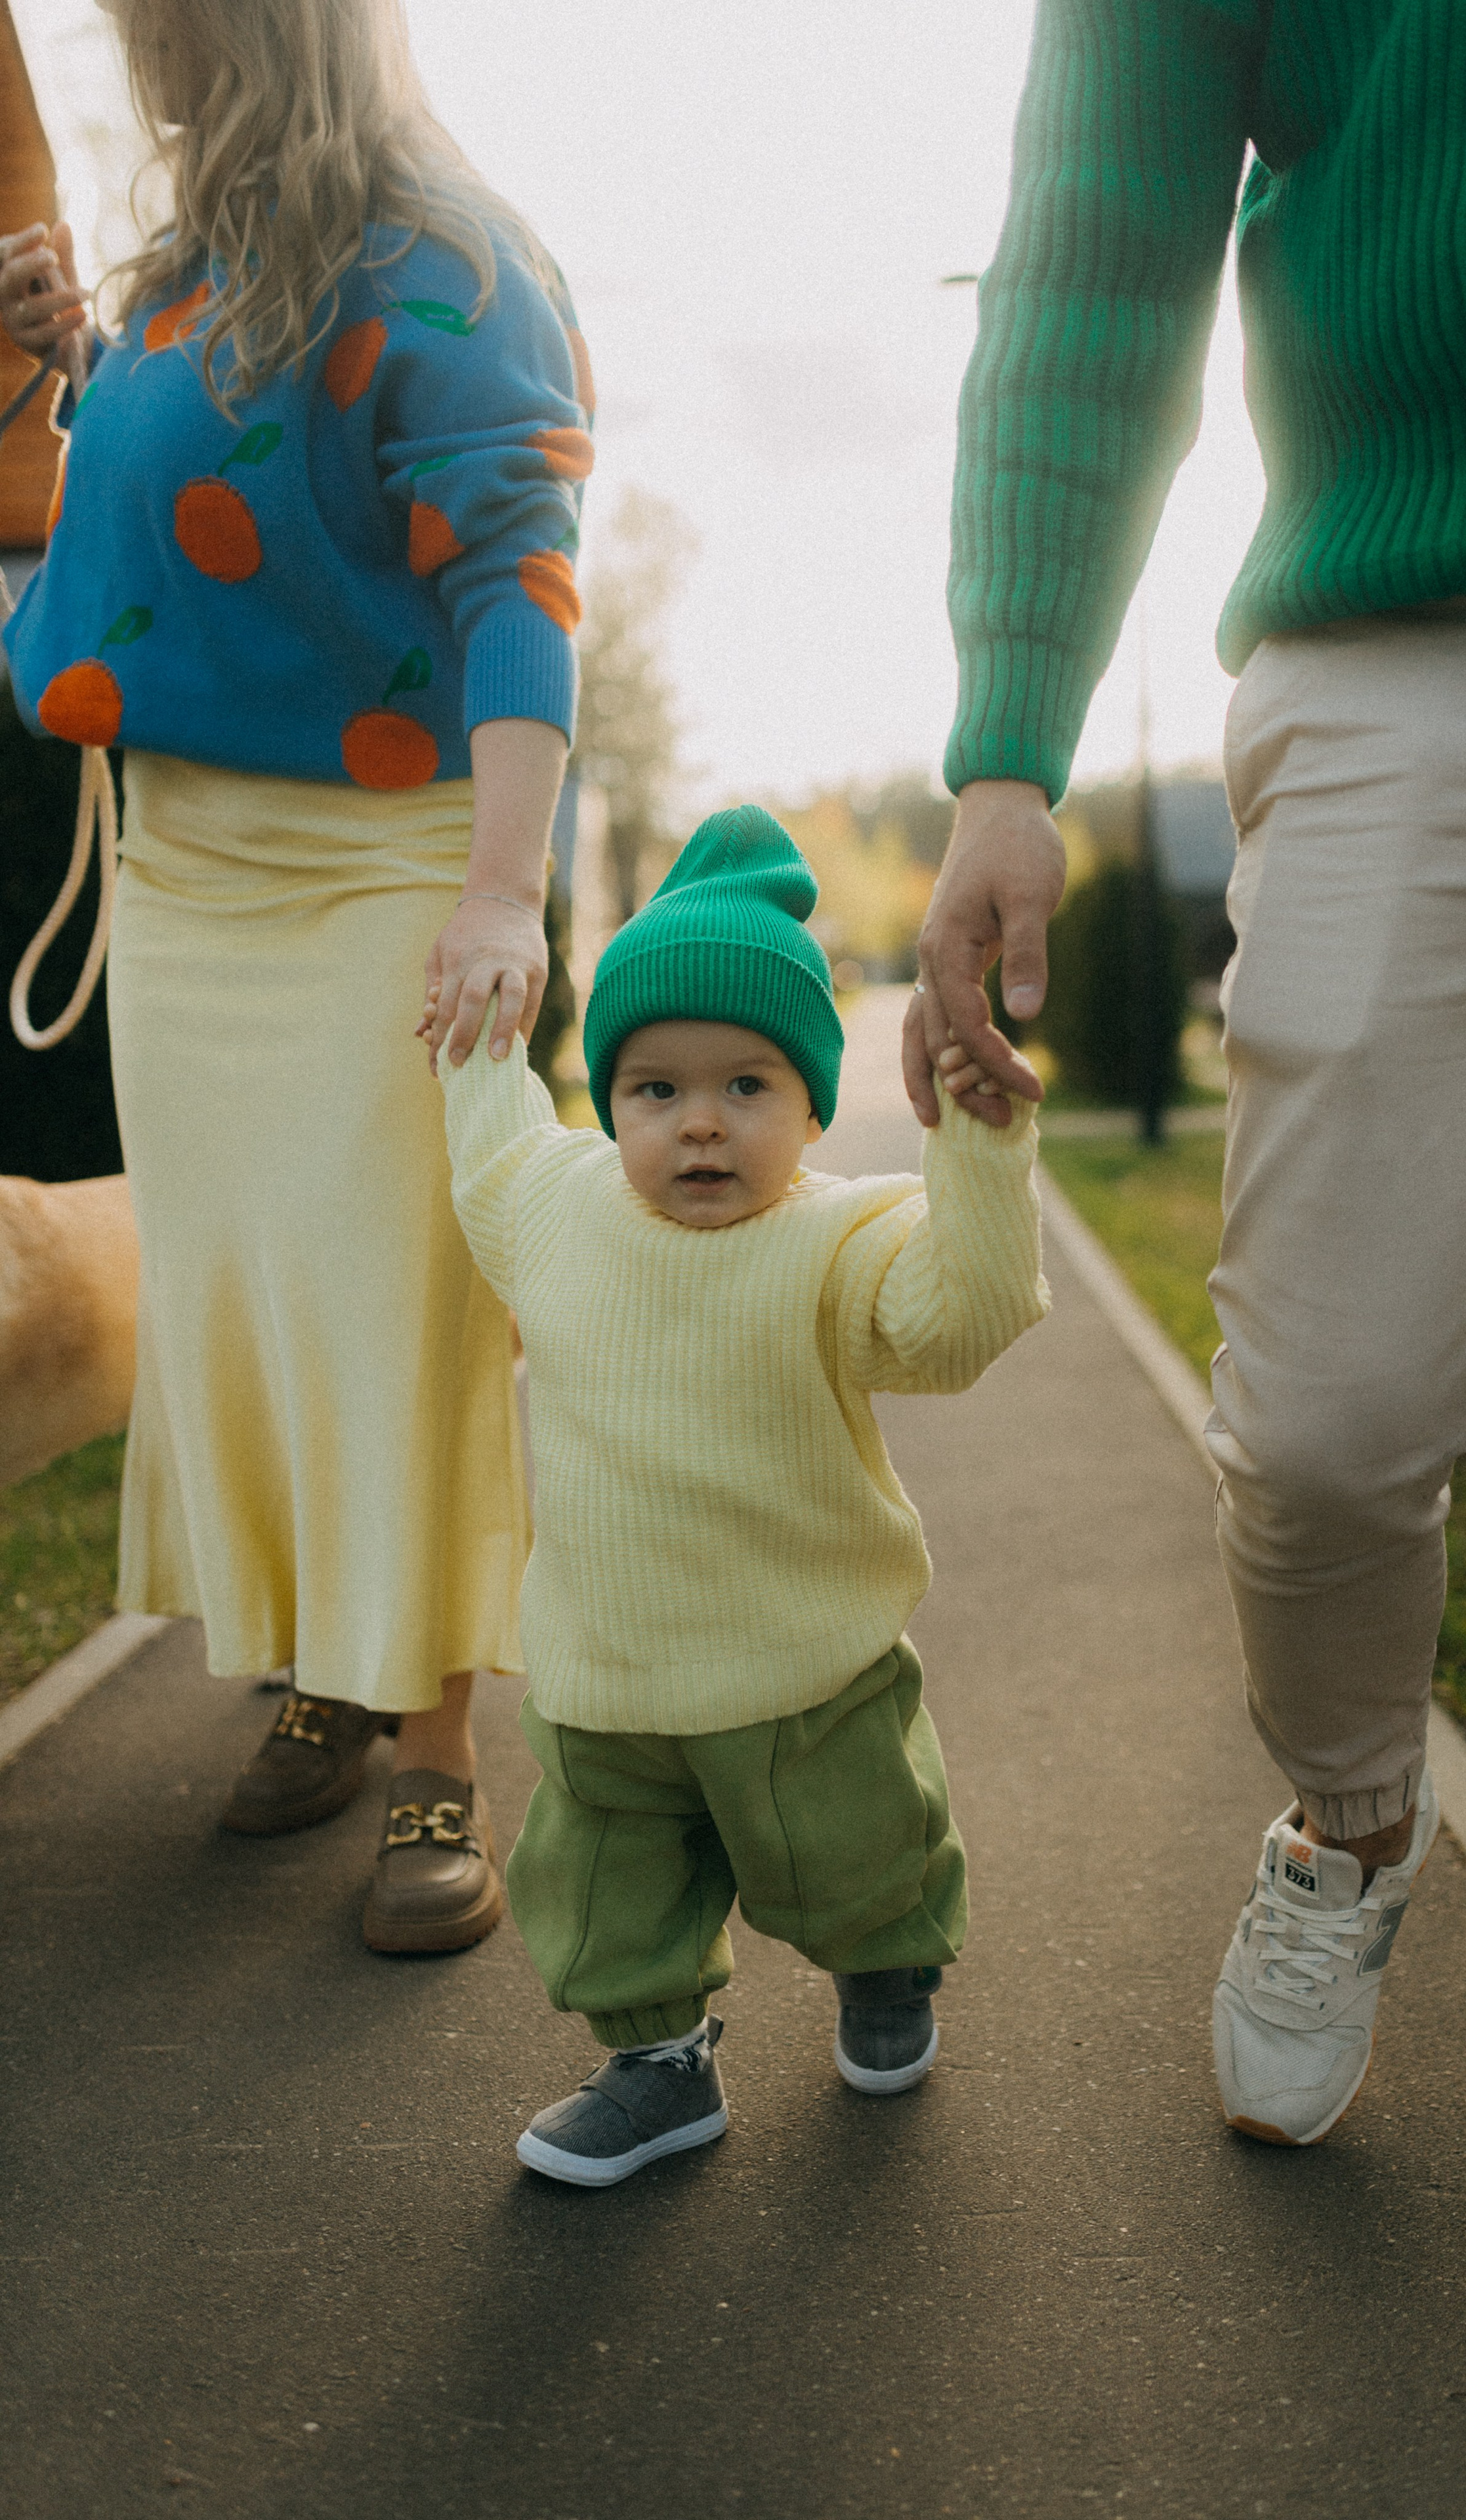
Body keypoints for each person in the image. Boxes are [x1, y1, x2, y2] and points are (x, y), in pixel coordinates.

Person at [905, 0, 1466, 2477]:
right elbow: (1102, 242)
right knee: (1330, 1426)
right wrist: (1014, 731)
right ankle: (1350, 1815)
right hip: (1413, 643)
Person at [0, 0, 591, 1952]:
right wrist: (61, 369)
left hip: (381, 870)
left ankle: (437, 1743)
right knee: (248, 1301)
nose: (145, 69)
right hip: (184, 880)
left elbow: (519, 572)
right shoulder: (194, 264)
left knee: (392, 1306)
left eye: (171, 32)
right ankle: (332, 1671)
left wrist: (506, 895)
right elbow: (206, 513)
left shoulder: (461, 258)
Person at [423, 805, 1048, 2185]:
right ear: (605, 1099)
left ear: (813, 1103)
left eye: (746, 1087)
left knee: (858, 1855)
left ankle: (887, 1970)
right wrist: (479, 1021)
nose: (699, 1123)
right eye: (654, 1090)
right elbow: (485, 1140)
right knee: (603, 1894)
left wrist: (982, 1154)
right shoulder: (551, 1203)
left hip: (804, 1669)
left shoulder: (842, 1237)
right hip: (605, 1679)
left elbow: (964, 1323)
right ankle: (656, 2069)